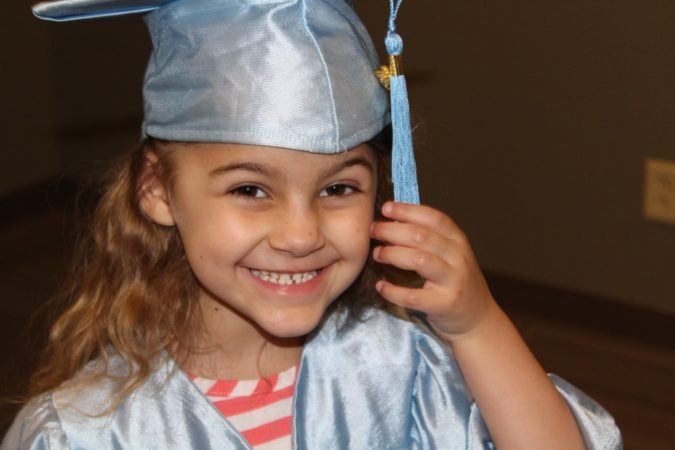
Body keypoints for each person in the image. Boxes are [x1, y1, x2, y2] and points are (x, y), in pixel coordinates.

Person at [3, 0, 621, 449]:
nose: (302, 234)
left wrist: (478, 325)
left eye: (338, 187)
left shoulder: (403, 364)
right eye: (250, 188)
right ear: (158, 190)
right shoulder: (87, 433)